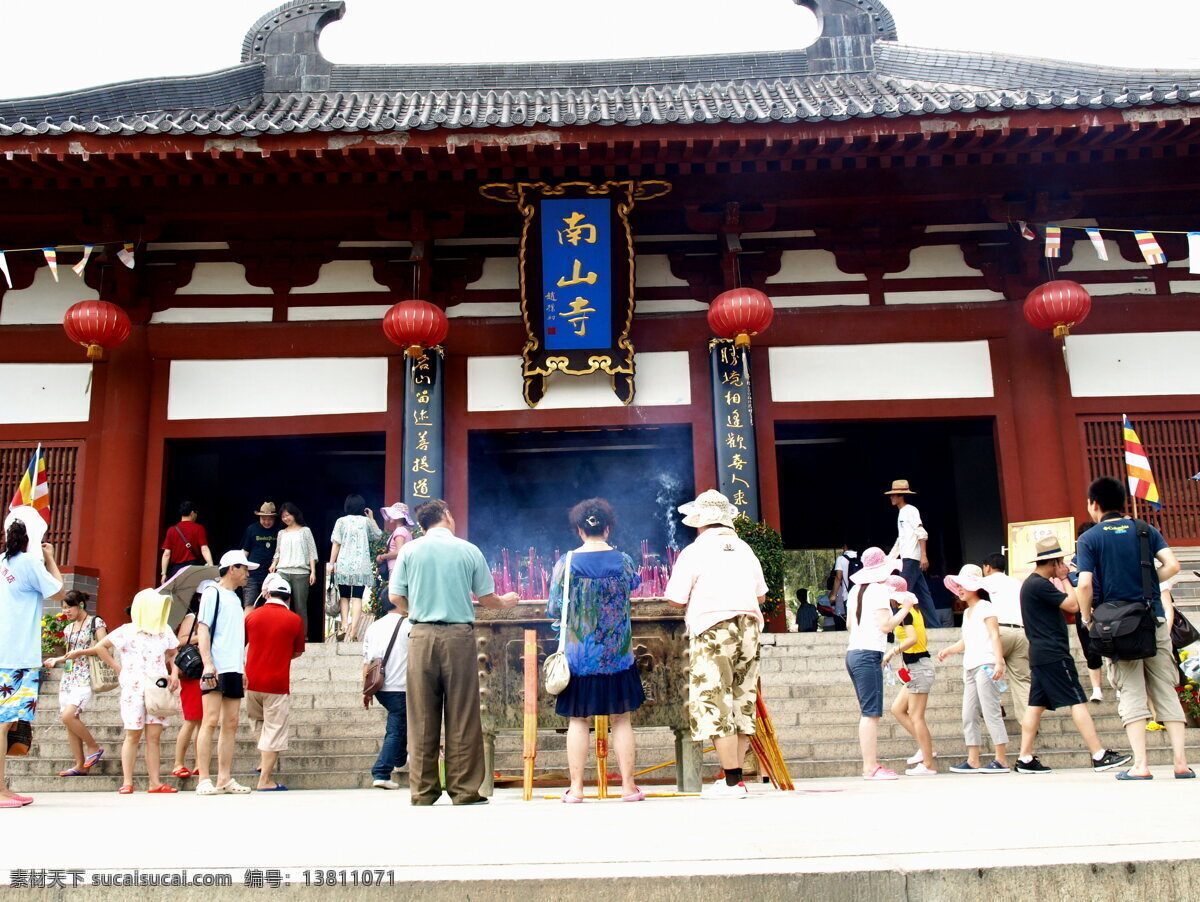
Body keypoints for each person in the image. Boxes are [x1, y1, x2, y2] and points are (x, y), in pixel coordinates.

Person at [388, 499, 519, 806]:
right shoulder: (467, 550)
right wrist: (505, 602)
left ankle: (423, 791)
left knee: (420, 714)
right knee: (462, 712)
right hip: (458, 635)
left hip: (420, 635)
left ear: (422, 525)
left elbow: (395, 595)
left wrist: (417, 610)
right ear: (447, 516)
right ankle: (464, 789)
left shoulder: (409, 550)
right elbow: (486, 598)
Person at [1076, 475, 1191, 780]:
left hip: (1117, 627)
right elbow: (1173, 565)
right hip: (1152, 619)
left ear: (1094, 504)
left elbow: (1084, 583)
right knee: (1165, 688)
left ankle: (1141, 765)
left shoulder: (1090, 538)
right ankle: (1180, 762)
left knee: (1131, 692)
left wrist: (1088, 618)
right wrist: (1151, 586)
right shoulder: (1145, 529)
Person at [665, 490, 766, 800]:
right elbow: (761, 595)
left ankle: (733, 781)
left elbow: (675, 598)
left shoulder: (695, 552)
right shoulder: (745, 548)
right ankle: (735, 779)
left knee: (715, 699)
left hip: (712, 628)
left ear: (700, 523)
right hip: (749, 627)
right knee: (742, 698)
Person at [546, 498, 646, 803]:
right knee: (621, 720)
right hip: (618, 656)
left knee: (578, 721)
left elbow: (553, 608)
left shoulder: (567, 563)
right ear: (608, 527)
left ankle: (576, 789)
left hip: (579, 658)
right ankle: (628, 787)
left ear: (578, 529)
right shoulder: (624, 560)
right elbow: (634, 586)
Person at [1013, 535, 1132, 775]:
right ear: (1053, 562)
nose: (1063, 565)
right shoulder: (1040, 584)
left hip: (1040, 653)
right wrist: (1066, 578)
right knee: (1077, 700)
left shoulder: (1031, 583)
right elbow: (1073, 605)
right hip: (1053, 653)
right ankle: (1099, 754)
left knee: (1035, 706)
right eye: (1060, 562)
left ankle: (1024, 757)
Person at [65, 588, 181, 794]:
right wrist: (117, 667)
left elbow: (174, 652)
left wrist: (174, 673)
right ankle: (127, 781)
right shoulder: (127, 630)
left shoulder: (165, 630)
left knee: (154, 737)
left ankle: (155, 782)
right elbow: (101, 646)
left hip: (157, 687)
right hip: (133, 688)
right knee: (132, 735)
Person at [0, 506, 65, 807]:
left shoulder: (2, 562)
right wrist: (50, 557)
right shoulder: (28, 562)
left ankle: (4, 786)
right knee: (5, 723)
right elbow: (58, 590)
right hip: (19, 654)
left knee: (9, 722)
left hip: (6, 650)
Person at [844, 546, 915, 781]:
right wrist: (905, 609)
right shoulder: (878, 591)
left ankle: (870, 765)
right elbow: (886, 626)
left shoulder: (856, 590)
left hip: (854, 651)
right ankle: (870, 766)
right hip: (868, 653)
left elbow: (849, 625)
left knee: (869, 711)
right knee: (871, 713)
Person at [194, 549, 255, 796]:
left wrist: (242, 667)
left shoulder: (235, 598)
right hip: (215, 667)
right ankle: (204, 778)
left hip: (233, 667)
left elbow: (236, 637)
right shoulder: (212, 593)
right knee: (209, 721)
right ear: (233, 568)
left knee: (231, 723)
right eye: (244, 569)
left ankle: (224, 777)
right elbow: (203, 628)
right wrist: (208, 663)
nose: (247, 574)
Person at [939, 566, 1010, 774]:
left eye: (964, 585)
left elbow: (995, 635)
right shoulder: (969, 611)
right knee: (968, 714)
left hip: (986, 664)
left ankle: (1001, 759)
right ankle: (973, 759)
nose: (960, 589)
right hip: (970, 666)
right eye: (959, 585)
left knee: (991, 712)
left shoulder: (985, 607)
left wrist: (999, 662)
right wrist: (949, 650)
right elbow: (965, 641)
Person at [244, 573, 305, 791]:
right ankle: (265, 780)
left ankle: (263, 762)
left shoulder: (252, 616)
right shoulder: (295, 620)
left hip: (251, 681)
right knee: (275, 729)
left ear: (267, 594)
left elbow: (243, 643)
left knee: (258, 723)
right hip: (277, 683)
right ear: (288, 598)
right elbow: (297, 651)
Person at [44, 590, 114, 777]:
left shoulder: (96, 623)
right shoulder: (68, 629)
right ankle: (80, 764)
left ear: (80, 605)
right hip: (69, 677)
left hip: (85, 675)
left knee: (68, 715)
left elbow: (104, 646)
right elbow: (70, 654)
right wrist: (56, 660)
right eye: (64, 608)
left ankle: (93, 746)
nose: (66, 612)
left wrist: (80, 653)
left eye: (69, 607)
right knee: (70, 721)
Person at [882, 575, 937, 776]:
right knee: (898, 709)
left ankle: (928, 762)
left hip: (919, 667)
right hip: (917, 667)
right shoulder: (913, 611)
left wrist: (892, 652)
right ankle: (926, 749)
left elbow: (913, 639)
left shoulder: (905, 613)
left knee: (916, 716)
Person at [362, 598, 412, 790]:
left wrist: (365, 690)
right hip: (400, 686)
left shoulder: (374, 627)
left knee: (399, 724)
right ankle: (381, 772)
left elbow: (367, 661)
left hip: (380, 687)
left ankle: (399, 757)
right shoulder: (409, 626)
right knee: (396, 728)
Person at [981, 553, 1032, 723]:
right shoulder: (1017, 583)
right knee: (1022, 680)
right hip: (1020, 631)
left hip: (998, 632)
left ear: (987, 567)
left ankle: (996, 705)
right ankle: (1029, 723)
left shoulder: (984, 583)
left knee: (986, 670)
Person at [885, 480, 940, 629]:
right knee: (923, 595)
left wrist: (924, 555)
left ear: (900, 496)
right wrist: (890, 558)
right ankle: (935, 626)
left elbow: (921, 532)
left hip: (911, 558)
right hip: (907, 557)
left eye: (893, 495)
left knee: (899, 593)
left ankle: (897, 626)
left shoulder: (910, 510)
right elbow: (901, 539)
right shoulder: (902, 512)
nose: (891, 498)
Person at [330, 494, 382, 641]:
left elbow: (336, 543)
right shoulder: (366, 522)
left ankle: (344, 625)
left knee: (344, 596)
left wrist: (331, 564)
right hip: (361, 565)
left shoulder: (341, 521)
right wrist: (371, 517)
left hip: (344, 564)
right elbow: (378, 535)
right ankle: (354, 632)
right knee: (357, 597)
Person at [170, 587, 210, 779]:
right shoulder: (191, 617)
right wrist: (203, 634)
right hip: (192, 671)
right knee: (191, 719)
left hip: (206, 670)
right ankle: (178, 762)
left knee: (203, 720)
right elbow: (181, 640)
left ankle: (198, 763)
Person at [269, 503, 319, 639]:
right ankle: (283, 635)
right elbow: (277, 552)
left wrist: (313, 572)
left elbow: (312, 553)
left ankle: (302, 636)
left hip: (301, 572)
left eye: (288, 515)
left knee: (300, 606)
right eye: (283, 516)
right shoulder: (281, 533)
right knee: (281, 604)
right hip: (282, 571)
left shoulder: (305, 531)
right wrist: (274, 564)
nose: (285, 518)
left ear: (295, 514)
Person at [1069, 525, 1105, 702]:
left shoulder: (1106, 554)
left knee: (1116, 644)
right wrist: (1086, 608)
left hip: (1107, 606)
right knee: (1090, 649)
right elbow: (1077, 585)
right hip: (1086, 607)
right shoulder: (1077, 560)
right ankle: (1096, 689)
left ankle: (1119, 686)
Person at [159, 500, 213, 583]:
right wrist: (211, 566)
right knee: (193, 594)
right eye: (196, 513)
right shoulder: (198, 528)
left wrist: (164, 574)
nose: (196, 515)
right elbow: (204, 549)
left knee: (176, 595)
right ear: (192, 513)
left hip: (176, 571)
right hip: (192, 569)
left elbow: (166, 554)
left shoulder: (172, 530)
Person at [240, 501, 279, 607]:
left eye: (270, 519)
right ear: (259, 517)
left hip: (271, 575)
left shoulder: (279, 531)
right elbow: (245, 551)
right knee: (250, 605)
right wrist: (241, 569)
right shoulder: (252, 529)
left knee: (270, 607)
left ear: (274, 518)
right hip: (252, 575)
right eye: (263, 519)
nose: (266, 522)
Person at [376, 502, 415, 581]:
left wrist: (382, 557)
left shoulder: (399, 531)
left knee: (394, 593)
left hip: (396, 568)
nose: (390, 516)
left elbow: (399, 551)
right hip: (402, 569)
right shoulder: (406, 531)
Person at [829, 543, 860, 625]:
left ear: (845, 547)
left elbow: (838, 578)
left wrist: (834, 594)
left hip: (849, 595)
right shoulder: (862, 557)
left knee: (852, 622)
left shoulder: (841, 559)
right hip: (863, 594)